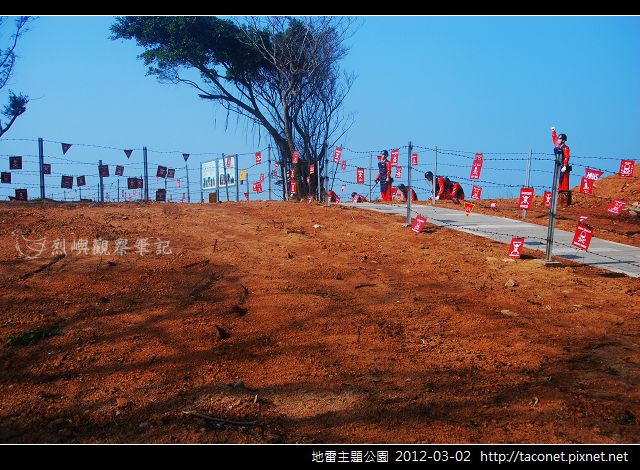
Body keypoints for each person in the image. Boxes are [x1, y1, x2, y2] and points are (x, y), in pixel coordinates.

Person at [551, 127, 571, 191]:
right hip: (558, 167)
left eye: (559, 139)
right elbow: (554, 139)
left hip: (563, 167)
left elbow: (567, 157)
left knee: (564, 184)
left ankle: (564, 197)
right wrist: (553, 131)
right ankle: (559, 195)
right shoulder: (557, 145)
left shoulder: (565, 148)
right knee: (558, 182)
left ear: (563, 140)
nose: (558, 140)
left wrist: (565, 166)